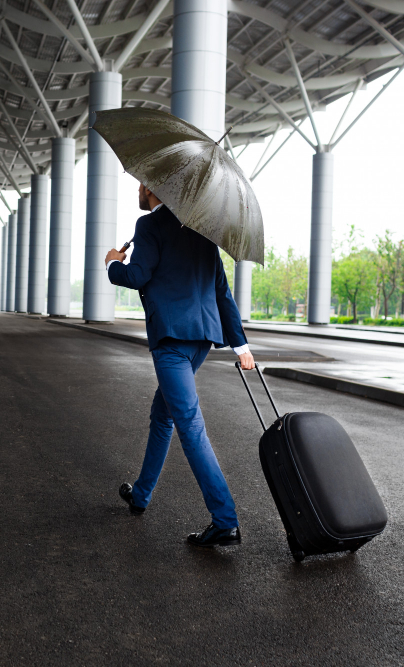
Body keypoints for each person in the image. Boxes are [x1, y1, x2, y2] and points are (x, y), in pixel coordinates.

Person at [105, 183, 254, 548]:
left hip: (170, 340)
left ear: (154, 188)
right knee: (163, 415)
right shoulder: (203, 229)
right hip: (202, 338)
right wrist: (240, 345)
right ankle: (140, 494)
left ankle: (225, 521)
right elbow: (222, 291)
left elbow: (137, 276)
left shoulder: (149, 225)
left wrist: (112, 262)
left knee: (189, 425)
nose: (139, 188)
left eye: (142, 183)